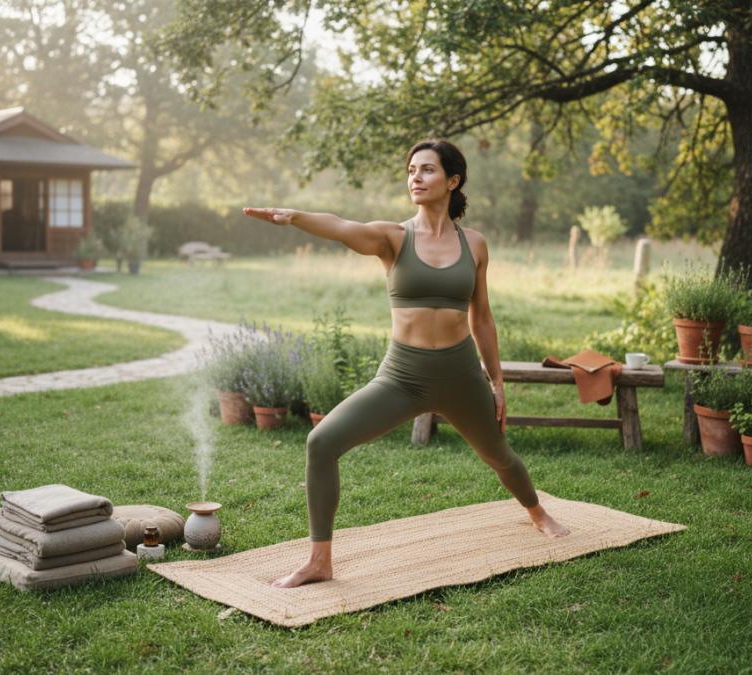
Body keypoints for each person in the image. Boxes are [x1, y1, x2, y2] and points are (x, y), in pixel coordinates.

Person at [243, 139, 569, 589]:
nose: (415, 177)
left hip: (460, 375)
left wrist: (496, 382)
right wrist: (294, 217)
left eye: (427, 170)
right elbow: (340, 226)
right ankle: (319, 560)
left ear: (452, 181)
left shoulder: (475, 244)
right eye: (411, 169)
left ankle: (538, 512)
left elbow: (482, 315)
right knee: (322, 442)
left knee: (499, 455)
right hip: (403, 376)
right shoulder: (393, 238)